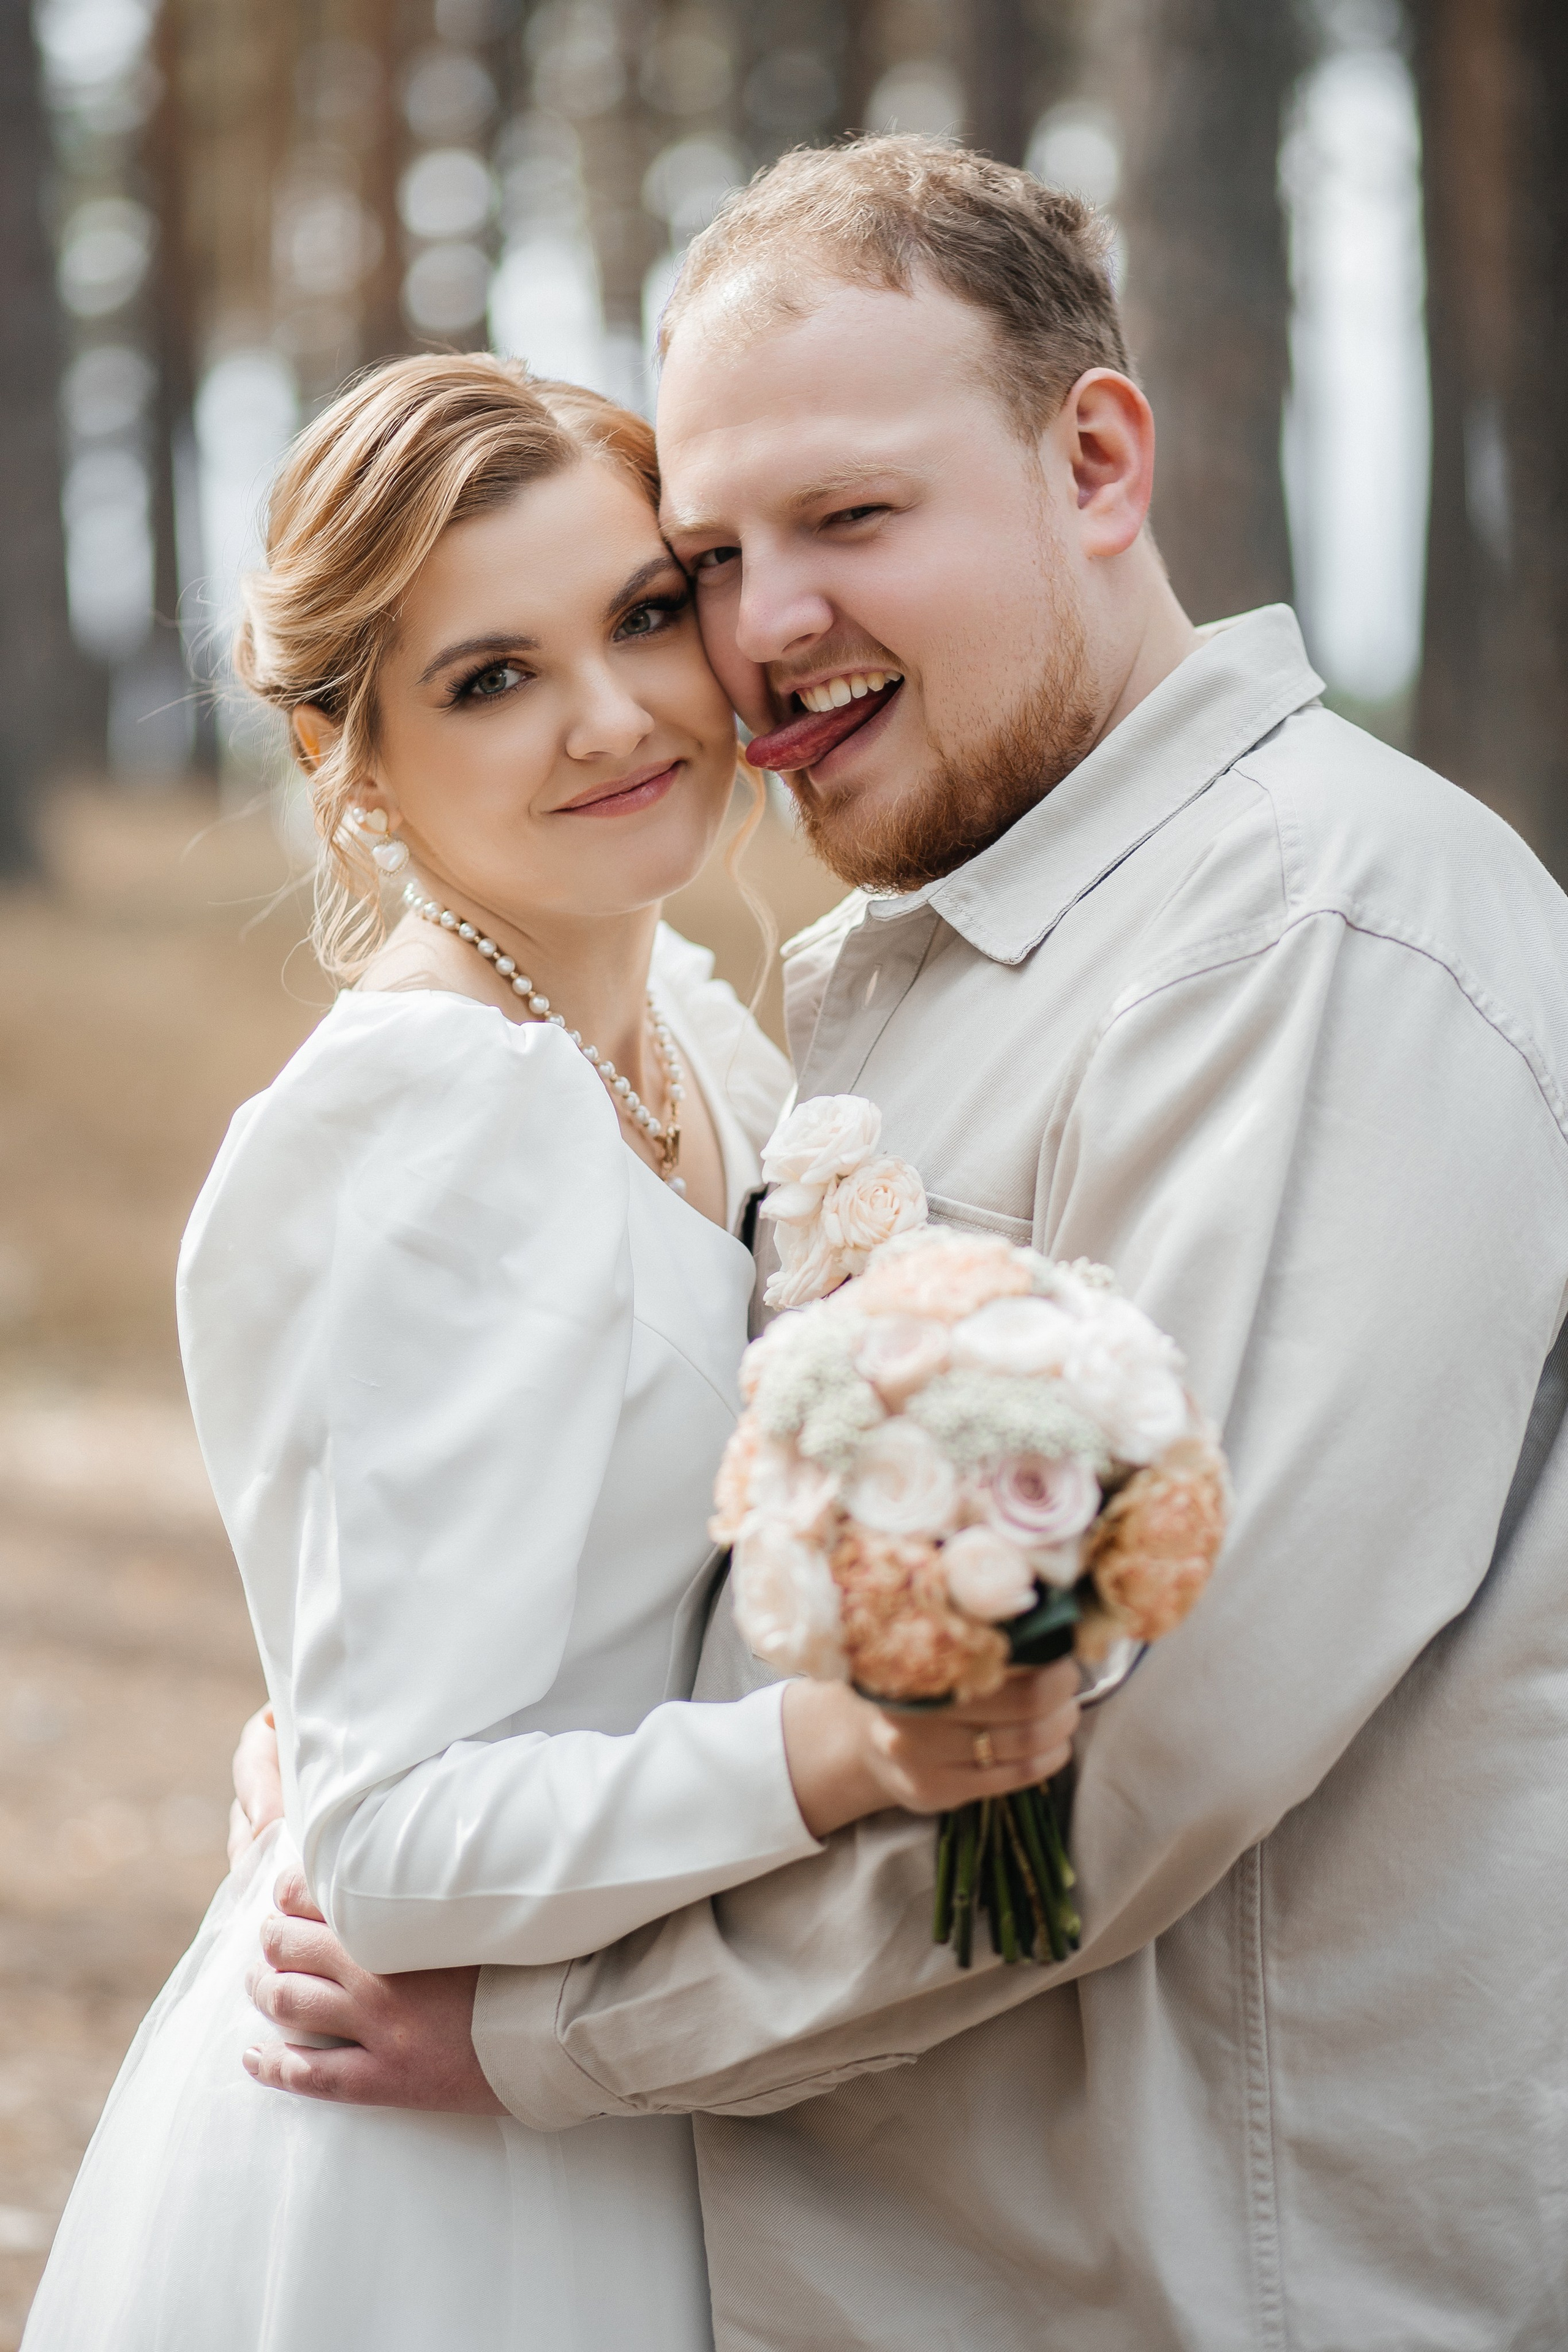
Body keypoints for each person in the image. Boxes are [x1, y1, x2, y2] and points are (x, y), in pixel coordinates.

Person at [241, 140, 1568, 2350]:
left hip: (1190, 2289)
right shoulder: (917, 955)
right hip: (881, 2260)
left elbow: (1138, 1748)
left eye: (854, 520)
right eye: (710, 561)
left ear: (1098, 461)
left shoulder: (1317, 945)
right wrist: (400, 1748)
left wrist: (554, 2026)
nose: (760, 632)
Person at [20, 353, 1079, 2352]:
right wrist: (839, 1754)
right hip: (437, 2198)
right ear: (353, 761)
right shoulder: (425, 1119)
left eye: (644, 615)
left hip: (620, 2080)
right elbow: (395, 1849)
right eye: (489, 678)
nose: (615, 717)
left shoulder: (680, 1025)